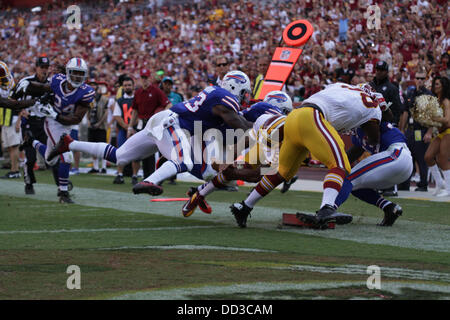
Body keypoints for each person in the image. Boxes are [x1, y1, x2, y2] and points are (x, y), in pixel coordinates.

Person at [47, 70, 253, 197]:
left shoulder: (215, 94)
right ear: (235, 87)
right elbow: (238, 124)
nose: (244, 98)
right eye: (244, 93)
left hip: (164, 122)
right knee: (185, 161)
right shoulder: (225, 98)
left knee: (119, 156)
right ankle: (150, 181)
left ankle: (69, 143)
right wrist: (262, 132)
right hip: (173, 124)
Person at [230, 83, 384, 228]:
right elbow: (374, 138)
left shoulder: (341, 86)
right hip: (312, 118)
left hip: (294, 117)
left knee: (282, 172)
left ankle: (244, 206)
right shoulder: (374, 107)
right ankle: (327, 208)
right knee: (341, 165)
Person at [182, 90, 289, 218]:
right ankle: (209, 185)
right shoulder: (269, 111)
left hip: (244, 139)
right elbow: (249, 135)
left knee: (251, 172)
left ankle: (200, 192)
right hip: (225, 137)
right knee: (251, 172)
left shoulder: (262, 114)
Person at [17, 57, 95, 203]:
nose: (77, 76)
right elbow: (42, 88)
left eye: (80, 73)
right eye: (75, 72)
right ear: (68, 72)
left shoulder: (86, 92)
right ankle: (63, 193)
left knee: (50, 159)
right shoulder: (57, 81)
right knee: (67, 156)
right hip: (51, 123)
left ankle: (31, 141)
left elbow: (76, 119)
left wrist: (55, 114)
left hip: (64, 123)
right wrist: (28, 84)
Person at [334, 110, 413, 226]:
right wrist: (336, 166)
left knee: (348, 180)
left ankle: (328, 209)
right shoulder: (358, 132)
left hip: (396, 154)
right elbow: (352, 154)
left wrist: (377, 105)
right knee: (355, 186)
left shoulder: (368, 119)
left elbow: (385, 120)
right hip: (400, 166)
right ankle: (389, 207)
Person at [14, 56, 61, 194]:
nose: (44, 70)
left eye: (46, 68)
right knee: (31, 157)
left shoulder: (51, 85)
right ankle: (29, 183)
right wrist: (20, 111)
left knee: (53, 155)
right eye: (42, 67)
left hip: (45, 123)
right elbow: (13, 99)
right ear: (36, 67)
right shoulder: (26, 82)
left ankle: (61, 186)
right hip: (29, 123)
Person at [126, 68, 172, 184]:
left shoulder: (156, 91)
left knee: (154, 150)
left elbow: (168, 104)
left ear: (150, 78)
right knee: (141, 149)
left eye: (146, 78)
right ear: (140, 79)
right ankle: (145, 176)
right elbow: (135, 111)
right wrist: (130, 127)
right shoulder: (138, 92)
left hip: (154, 124)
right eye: (143, 78)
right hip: (142, 123)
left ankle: (155, 177)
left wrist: (162, 118)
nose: (145, 80)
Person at [369, 60, 404, 197]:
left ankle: (392, 187)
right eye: (377, 69)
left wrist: (394, 124)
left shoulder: (392, 88)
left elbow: (398, 108)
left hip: (386, 125)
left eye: (381, 70)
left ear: (386, 71)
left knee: (389, 155)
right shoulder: (370, 86)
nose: (378, 72)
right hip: (373, 126)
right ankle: (380, 185)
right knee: (376, 156)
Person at [398, 71, 434, 192]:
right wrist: (402, 130)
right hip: (410, 130)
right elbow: (405, 112)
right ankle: (404, 184)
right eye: (418, 78)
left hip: (421, 130)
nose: (419, 80)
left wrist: (429, 132)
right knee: (407, 158)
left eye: (422, 78)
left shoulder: (429, 95)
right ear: (415, 79)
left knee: (421, 158)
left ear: (425, 80)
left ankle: (423, 184)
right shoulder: (410, 93)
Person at [424, 76, 450, 197]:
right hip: (440, 132)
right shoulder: (436, 101)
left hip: (448, 131)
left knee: (442, 159)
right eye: (435, 84)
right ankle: (440, 183)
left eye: (438, 84)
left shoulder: (446, 101)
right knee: (428, 157)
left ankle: (449, 189)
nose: (435, 86)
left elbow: (447, 120)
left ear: (443, 86)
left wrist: (434, 118)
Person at [112, 76, 139, 184]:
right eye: (125, 85)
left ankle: (135, 175)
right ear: (123, 87)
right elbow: (117, 116)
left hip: (136, 129)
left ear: (133, 86)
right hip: (124, 130)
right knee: (121, 152)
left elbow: (139, 114)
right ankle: (120, 174)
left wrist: (132, 127)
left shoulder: (137, 99)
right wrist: (128, 127)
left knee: (137, 153)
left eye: (129, 85)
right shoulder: (120, 100)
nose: (127, 87)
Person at [159, 76, 184, 185]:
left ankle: (172, 177)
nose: (167, 86)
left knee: (174, 152)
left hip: (175, 127)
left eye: (169, 84)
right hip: (161, 127)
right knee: (161, 152)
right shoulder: (158, 95)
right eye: (166, 83)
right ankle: (160, 175)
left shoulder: (177, 97)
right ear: (162, 84)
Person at [87, 79, 109, 174]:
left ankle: (103, 167)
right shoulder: (88, 98)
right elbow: (87, 111)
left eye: (94, 84)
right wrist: (88, 121)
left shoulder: (104, 99)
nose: (92, 86)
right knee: (93, 147)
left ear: (97, 86)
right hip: (91, 125)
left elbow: (106, 112)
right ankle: (95, 167)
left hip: (101, 126)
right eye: (90, 84)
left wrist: (99, 123)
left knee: (103, 146)